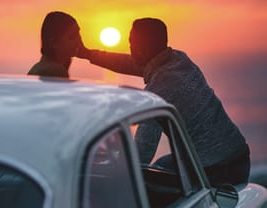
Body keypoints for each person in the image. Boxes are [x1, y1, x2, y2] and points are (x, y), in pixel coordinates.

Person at [77, 17, 250, 186]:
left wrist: (108, 165)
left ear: (141, 50)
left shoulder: (160, 88)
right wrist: (87, 53)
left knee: (149, 187)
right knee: (161, 166)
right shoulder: (179, 59)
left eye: (131, 43)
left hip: (216, 171)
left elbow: (142, 154)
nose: (129, 48)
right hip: (238, 156)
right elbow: (130, 63)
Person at [28, 11, 81, 78]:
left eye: (78, 34)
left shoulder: (38, 67)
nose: (78, 41)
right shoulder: (54, 71)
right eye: (72, 37)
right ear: (53, 43)